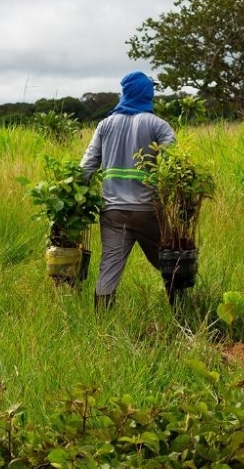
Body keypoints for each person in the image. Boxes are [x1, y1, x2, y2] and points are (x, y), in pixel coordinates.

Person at [81, 71, 176, 310]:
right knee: (170, 263)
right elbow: (173, 166)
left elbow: (86, 168)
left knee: (110, 265)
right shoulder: (159, 126)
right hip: (148, 212)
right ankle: (182, 313)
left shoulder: (105, 125)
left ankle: (100, 324)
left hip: (112, 213)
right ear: (147, 93)